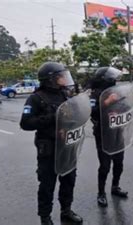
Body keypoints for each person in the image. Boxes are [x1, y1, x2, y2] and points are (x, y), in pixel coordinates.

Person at [20, 62, 83, 225]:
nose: (64, 78)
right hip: (48, 148)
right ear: (51, 79)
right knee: (47, 184)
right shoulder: (36, 98)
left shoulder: (65, 94)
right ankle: (45, 217)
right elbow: (25, 123)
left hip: (67, 146)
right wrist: (51, 118)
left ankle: (66, 210)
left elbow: (73, 115)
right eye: (61, 76)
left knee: (69, 180)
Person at [89, 67, 129, 208]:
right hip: (103, 133)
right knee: (105, 165)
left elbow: (125, 107)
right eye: (111, 78)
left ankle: (115, 187)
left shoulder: (115, 92)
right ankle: (101, 193)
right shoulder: (95, 94)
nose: (114, 81)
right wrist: (107, 102)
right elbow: (91, 111)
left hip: (117, 131)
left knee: (119, 163)